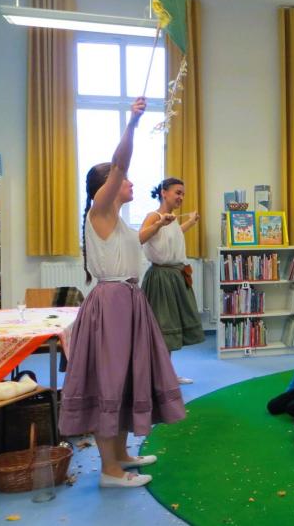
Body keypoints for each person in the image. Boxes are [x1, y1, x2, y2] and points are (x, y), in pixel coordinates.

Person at [59, 97, 185, 488]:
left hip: (127, 301)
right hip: (113, 304)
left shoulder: (117, 221)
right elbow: (119, 165)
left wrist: (159, 224)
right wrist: (132, 123)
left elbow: (135, 242)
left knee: (127, 378)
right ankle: (109, 471)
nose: (130, 183)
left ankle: (122, 456)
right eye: (124, 181)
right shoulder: (99, 211)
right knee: (110, 382)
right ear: (107, 188)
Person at [139, 177, 203, 385]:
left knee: (170, 328)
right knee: (163, 330)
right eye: (177, 192)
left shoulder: (171, 219)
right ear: (163, 192)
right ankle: (160, 377)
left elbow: (172, 235)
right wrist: (159, 223)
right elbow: (140, 237)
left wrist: (190, 222)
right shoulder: (154, 216)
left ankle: (165, 374)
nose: (181, 197)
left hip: (175, 276)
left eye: (183, 194)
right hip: (161, 279)